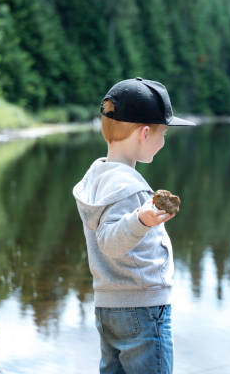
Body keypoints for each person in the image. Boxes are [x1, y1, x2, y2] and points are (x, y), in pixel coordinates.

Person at [72, 77, 195, 374]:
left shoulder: (99, 177)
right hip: (142, 308)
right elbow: (110, 240)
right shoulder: (128, 188)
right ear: (143, 133)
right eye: (162, 133)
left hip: (109, 306)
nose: (163, 141)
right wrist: (140, 220)